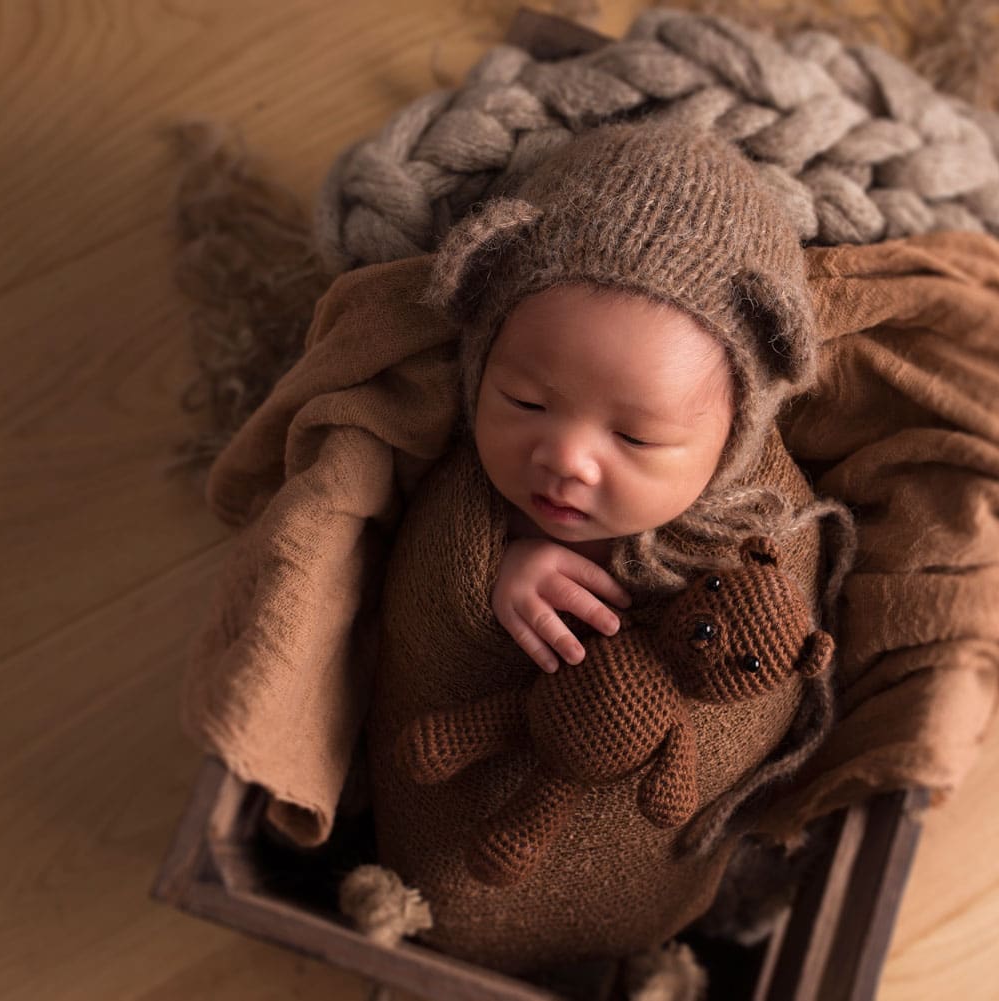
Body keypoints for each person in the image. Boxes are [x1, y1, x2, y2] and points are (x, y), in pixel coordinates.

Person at [361, 123, 847, 971]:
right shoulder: (468, 495)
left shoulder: (762, 527)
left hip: (643, 860)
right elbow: (412, 613)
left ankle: (639, 948)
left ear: (732, 435)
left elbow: (764, 673)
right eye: (525, 400)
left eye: (637, 436)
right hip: (462, 829)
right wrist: (485, 576)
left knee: (664, 895)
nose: (566, 459)